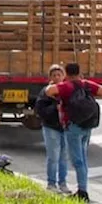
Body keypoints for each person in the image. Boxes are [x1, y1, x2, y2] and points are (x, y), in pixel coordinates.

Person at [44, 62, 102, 201]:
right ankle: (83, 188)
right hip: (87, 125)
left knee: (77, 160)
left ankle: (82, 191)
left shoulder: (66, 86)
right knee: (83, 159)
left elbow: (49, 91)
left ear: (66, 74)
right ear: (79, 73)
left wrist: (56, 84)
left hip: (73, 126)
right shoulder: (86, 84)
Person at [34, 64, 69, 194]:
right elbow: (39, 110)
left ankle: (63, 183)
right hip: (51, 127)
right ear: (50, 77)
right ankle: (51, 183)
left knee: (64, 157)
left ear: (64, 76)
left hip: (65, 128)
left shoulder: (67, 91)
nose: (57, 77)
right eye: (54, 75)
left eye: (59, 75)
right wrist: (55, 107)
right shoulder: (46, 92)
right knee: (53, 156)